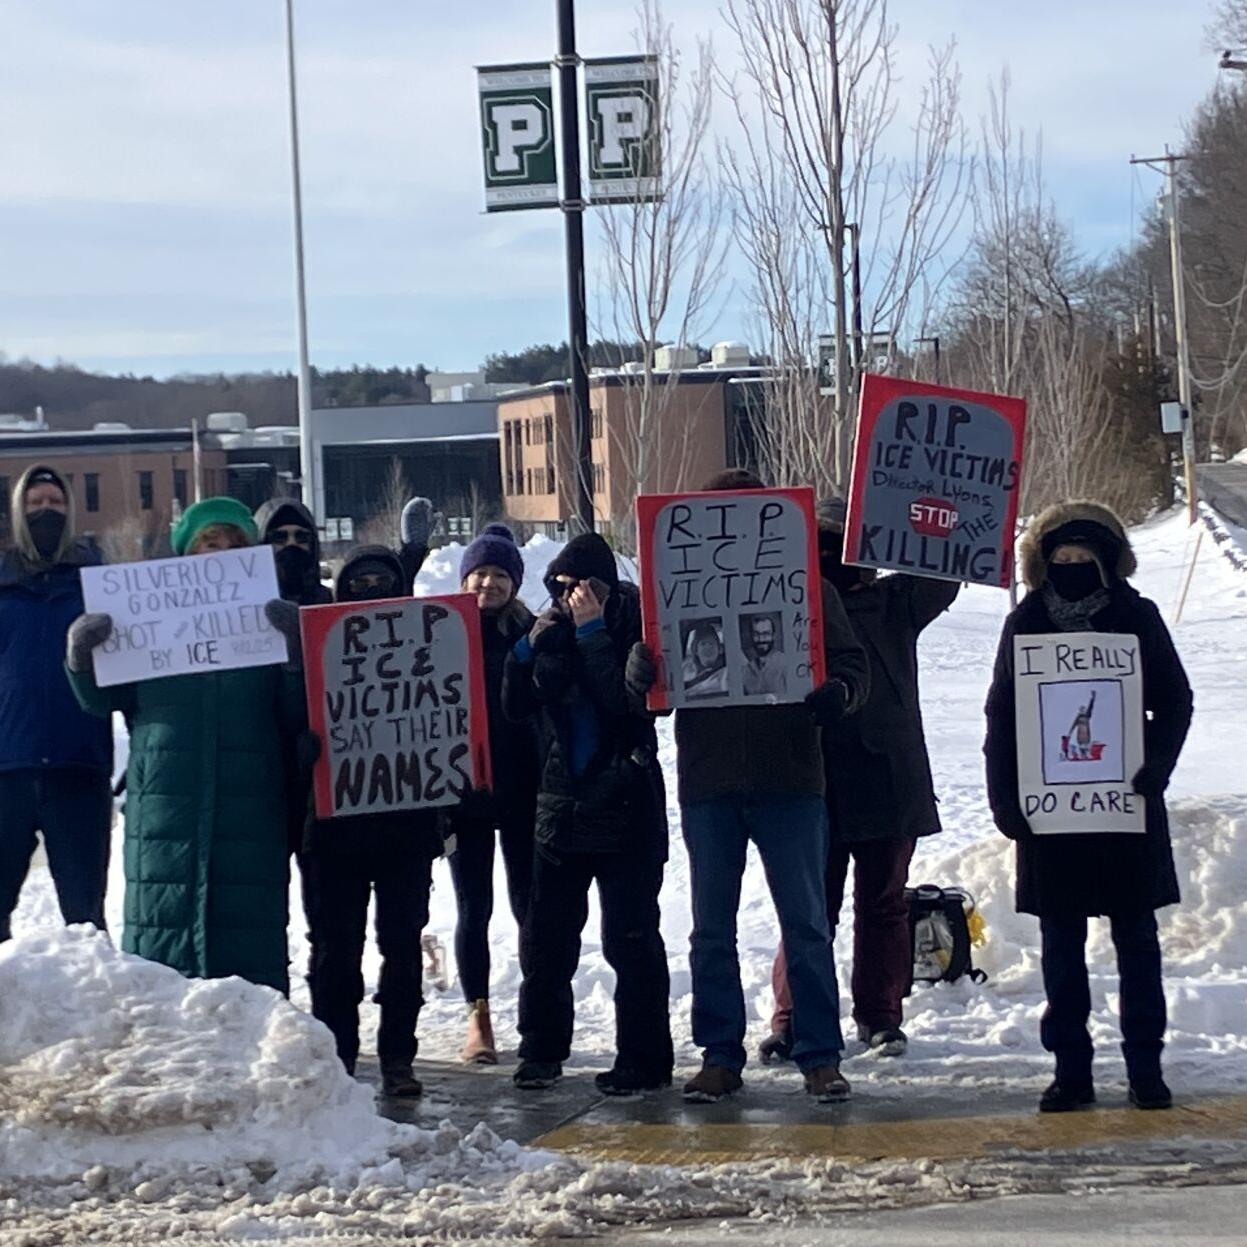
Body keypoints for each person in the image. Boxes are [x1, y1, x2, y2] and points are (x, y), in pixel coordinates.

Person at [627, 468, 871, 1105]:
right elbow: (654, 695)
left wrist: (839, 694)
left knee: (807, 923)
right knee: (711, 926)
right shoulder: (674, 591)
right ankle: (719, 1052)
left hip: (791, 775)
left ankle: (819, 1054)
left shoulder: (809, 589)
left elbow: (851, 664)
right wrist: (641, 672)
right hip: (709, 780)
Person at [984, 501, 1193, 1113]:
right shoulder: (1025, 624)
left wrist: (1155, 768)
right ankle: (1071, 1070)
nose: (1072, 567)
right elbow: (1002, 717)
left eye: (1084, 558)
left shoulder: (1138, 616)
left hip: (1127, 810)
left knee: (1137, 942)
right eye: (1062, 559)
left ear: (1108, 563)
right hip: (1052, 817)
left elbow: (1176, 700)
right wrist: (1005, 799)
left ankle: (1145, 1068)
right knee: (1061, 949)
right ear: (1044, 564)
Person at [65, 496, 302, 993]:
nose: (219, 554)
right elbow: (99, 701)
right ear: (184, 553)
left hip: (249, 805)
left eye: (235, 545)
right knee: (161, 940)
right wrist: (82, 658)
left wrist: (297, 656)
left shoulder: (269, 624)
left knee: (248, 942)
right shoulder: (146, 623)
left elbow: (294, 713)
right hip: (165, 804)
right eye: (207, 543)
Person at [761, 499, 959, 1063]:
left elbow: (946, 569)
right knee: (807, 907)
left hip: (887, 777)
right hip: (808, 775)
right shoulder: (786, 599)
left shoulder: (895, 600)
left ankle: (880, 1016)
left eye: (842, 544)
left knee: (884, 904)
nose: (832, 557)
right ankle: (794, 1016)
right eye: (820, 543)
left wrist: (922, 513)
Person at [504, 532, 673, 1095]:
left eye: (585, 586)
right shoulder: (550, 628)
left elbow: (627, 705)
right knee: (547, 940)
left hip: (626, 804)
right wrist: (528, 649)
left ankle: (644, 1060)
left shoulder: (635, 625)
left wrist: (594, 632)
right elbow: (516, 705)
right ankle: (542, 1050)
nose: (573, 595)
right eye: (562, 586)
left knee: (631, 939)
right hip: (560, 806)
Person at [300, 543, 445, 1098]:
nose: (371, 591)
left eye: (383, 581)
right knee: (334, 949)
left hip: (405, 828)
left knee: (401, 945)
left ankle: (397, 1057)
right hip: (332, 828)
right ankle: (336, 1054)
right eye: (358, 584)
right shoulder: (316, 652)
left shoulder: (429, 648)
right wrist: (303, 743)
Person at [0, 464, 113, 942]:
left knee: (86, 920)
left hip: (79, 765)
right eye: (36, 503)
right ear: (18, 512)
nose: (47, 511)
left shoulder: (100, 585)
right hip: (7, 767)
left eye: (56, 502)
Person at [446, 523, 539, 1064]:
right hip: (463, 795)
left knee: (530, 904)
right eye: (479, 572)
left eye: (500, 574)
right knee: (472, 906)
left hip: (523, 789)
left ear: (515, 583)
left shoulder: (530, 633)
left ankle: (535, 1011)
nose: (488, 583)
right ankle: (477, 1016)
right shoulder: (440, 634)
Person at [682, 621, 729, 700]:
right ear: (696, 650)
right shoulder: (685, 670)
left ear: (720, 649)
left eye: (711, 643)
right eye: (703, 644)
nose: (708, 648)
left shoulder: (727, 672)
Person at [741, 614, 786, 696]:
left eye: (766, 634)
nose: (761, 639)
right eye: (756, 634)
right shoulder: (745, 670)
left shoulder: (785, 664)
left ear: (773, 635)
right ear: (751, 636)